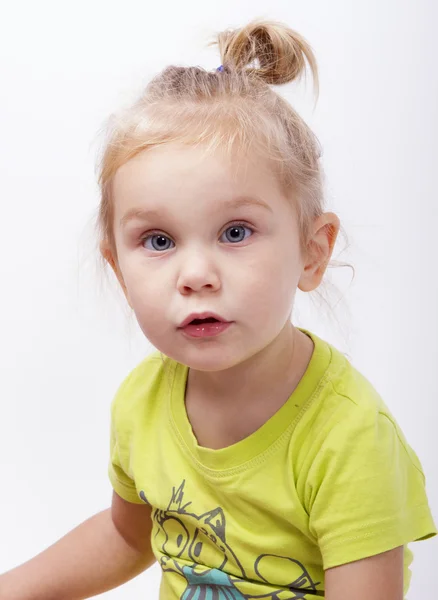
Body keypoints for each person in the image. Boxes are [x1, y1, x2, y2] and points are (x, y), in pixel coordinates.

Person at [1, 18, 436, 600]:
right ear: (119, 273)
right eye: (158, 241)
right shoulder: (143, 402)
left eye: (235, 231)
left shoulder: (348, 438)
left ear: (312, 252)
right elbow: (127, 538)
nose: (197, 276)